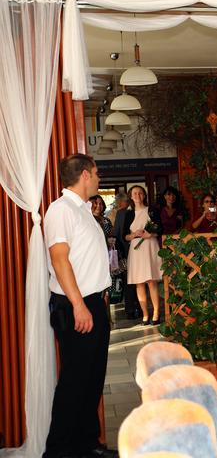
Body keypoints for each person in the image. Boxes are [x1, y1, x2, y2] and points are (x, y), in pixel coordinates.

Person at [43, 154, 117, 458]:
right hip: (76, 305)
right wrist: (78, 305)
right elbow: (59, 260)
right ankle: (58, 452)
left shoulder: (83, 210)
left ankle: (87, 446)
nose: (99, 178)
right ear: (85, 175)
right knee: (74, 381)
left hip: (92, 303)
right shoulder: (60, 209)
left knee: (92, 379)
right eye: (96, 173)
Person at [121, 185, 163, 325]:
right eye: (135, 193)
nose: (137, 195)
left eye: (140, 193)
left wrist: (150, 234)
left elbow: (160, 229)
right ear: (131, 196)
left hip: (150, 246)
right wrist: (134, 234)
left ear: (144, 195)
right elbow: (124, 236)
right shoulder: (128, 214)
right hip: (136, 250)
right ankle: (145, 314)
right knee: (139, 283)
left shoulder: (152, 210)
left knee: (151, 281)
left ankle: (156, 313)